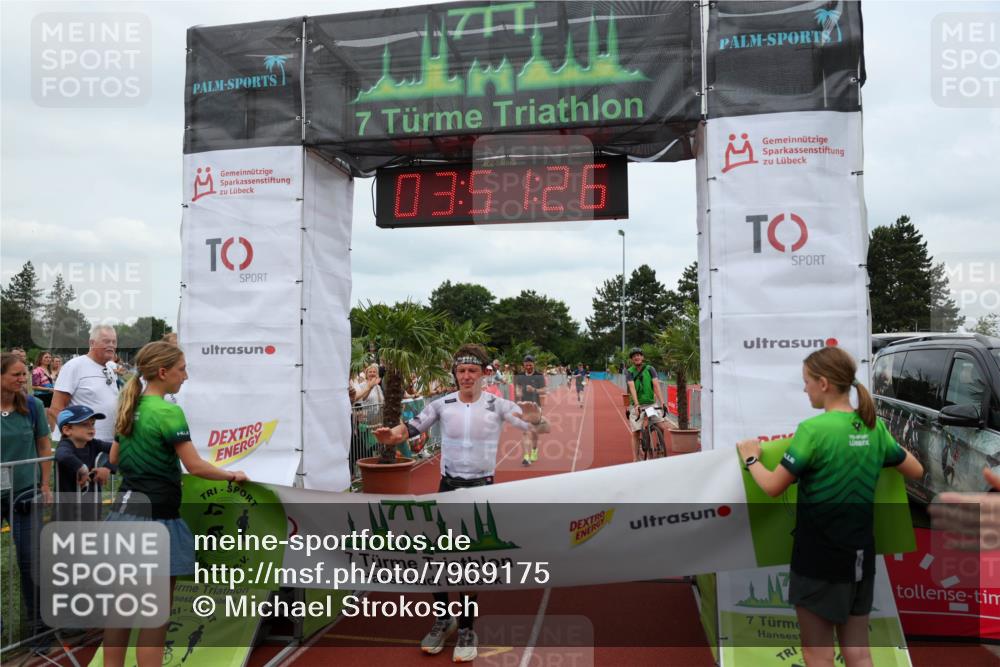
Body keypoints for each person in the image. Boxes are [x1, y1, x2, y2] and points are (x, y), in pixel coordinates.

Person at [736, 346, 923, 667]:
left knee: (817, 655)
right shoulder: (874, 428)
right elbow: (916, 470)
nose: (804, 389)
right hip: (861, 556)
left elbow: (772, 486)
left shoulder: (813, 431)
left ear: (823, 383)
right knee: (859, 653)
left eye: (806, 381)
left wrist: (751, 458)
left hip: (818, 560)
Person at [373, 344, 546, 663]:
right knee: (434, 558)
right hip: (447, 488)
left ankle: (467, 628)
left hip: (481, 491)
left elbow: (536, 426)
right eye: (461, 371)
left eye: (472, 371)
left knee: (470, 564)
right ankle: (444, 619)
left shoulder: (498, 405)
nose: (466, 376)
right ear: (455, 374)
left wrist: (536, 417)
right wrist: (392, 436)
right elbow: (410, 428)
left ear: (484, 374)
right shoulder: (442, 404)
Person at [103, 342, 248, 667]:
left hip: (122, 517)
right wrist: (232, 475)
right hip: (156, 521)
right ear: (163, 372)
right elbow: (195, 466)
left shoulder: (130, 405)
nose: (186, 376)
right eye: (182, 369)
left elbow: (114, 457)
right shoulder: (168, 411)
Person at [0, 353, 53, 643]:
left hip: (25, 493)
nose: (23, 380)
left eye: (24, 374)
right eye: (16, 375)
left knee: (32, 559)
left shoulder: (32, 406)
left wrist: (45, 484)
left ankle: (39, 627)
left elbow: (44, 445)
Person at [50, 324, 120, 441]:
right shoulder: (74, 366)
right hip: (83, 444)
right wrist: (73, 437)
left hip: (107, 443)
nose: (111, 345)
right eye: (106, 341)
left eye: (114, 342)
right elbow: (56, 408)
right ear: (92, 343)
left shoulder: (109, 369)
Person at [54, 405, 114, 521]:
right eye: (85, 424)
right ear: (67, 430)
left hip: (92, 505)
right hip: (67, 510)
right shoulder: (66, 445)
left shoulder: (93, 444)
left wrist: (108, 468)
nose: (91, 428)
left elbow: (119, 449)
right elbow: (62, 455)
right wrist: (83, 469)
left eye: (93, 424)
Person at [625, 348, 667, 462]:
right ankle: (635, 459)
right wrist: (636, 405)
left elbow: (656, 385)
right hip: (637, 405)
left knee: (661, 427)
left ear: (642, 357)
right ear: (632, 359)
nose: (637, 357)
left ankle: (660, 447)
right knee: (636, 432)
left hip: (651, 404)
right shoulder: (629, 371)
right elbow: (632, 387)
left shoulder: (650, 369)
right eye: (634, 356)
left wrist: (663, 402)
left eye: (639, 355)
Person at [514, 355, 548, 466]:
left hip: (536, 406)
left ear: (534, 364)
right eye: (526, 365)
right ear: (523, 365)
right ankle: (526, 456)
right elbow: (518, 388)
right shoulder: (520, 376)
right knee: (525, 431)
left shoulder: (539, 376)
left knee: (534, 432)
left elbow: (544, 390)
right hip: (524, 407)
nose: (528, 367)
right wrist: (518, 393)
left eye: (530, 365)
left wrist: (534, 390)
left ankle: (534, 450)